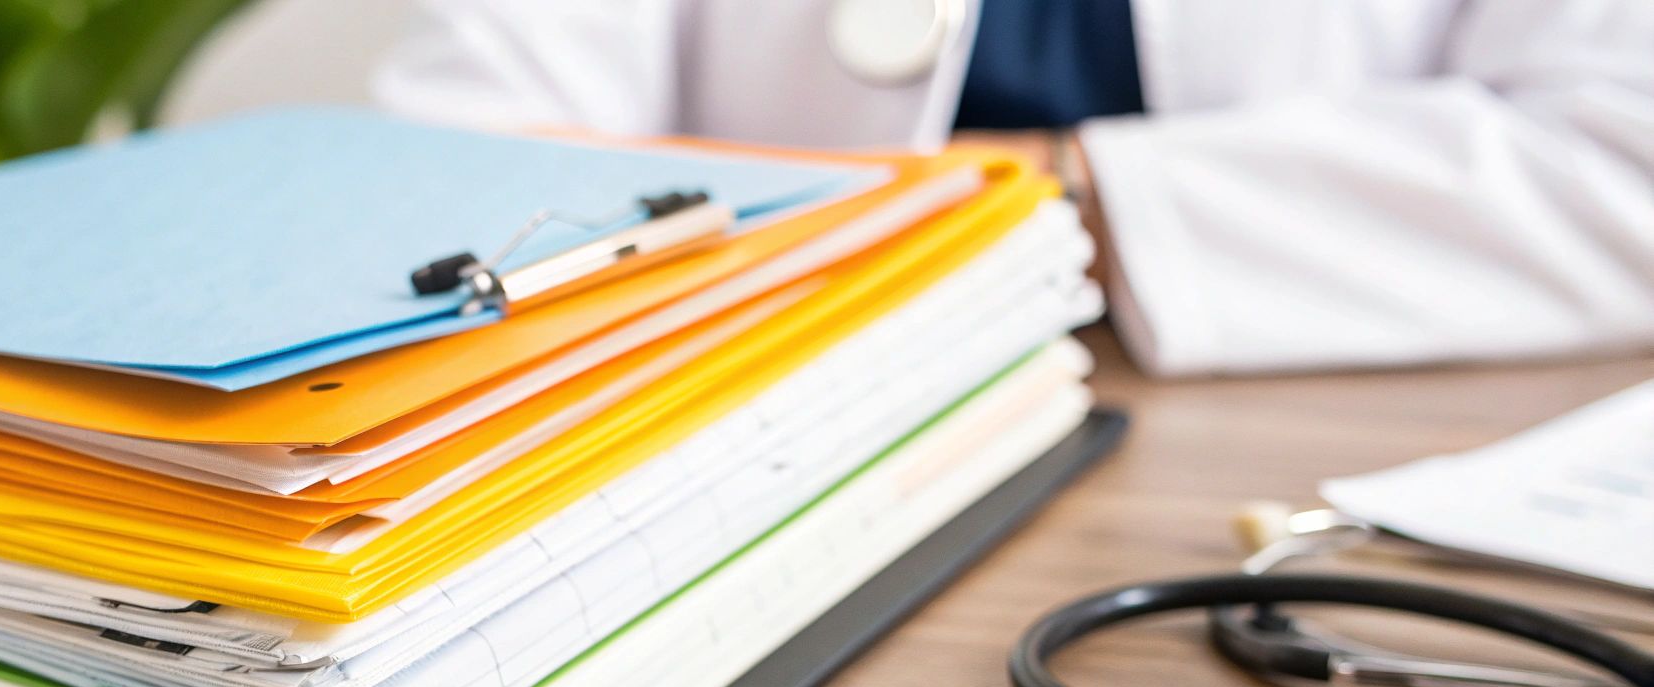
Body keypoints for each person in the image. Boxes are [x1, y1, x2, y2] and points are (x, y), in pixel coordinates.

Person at [374, 0, 1654, 377]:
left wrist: (1031, 189)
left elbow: (1618, 167)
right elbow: (449, 153)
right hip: (799, 397)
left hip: (1285, 435)